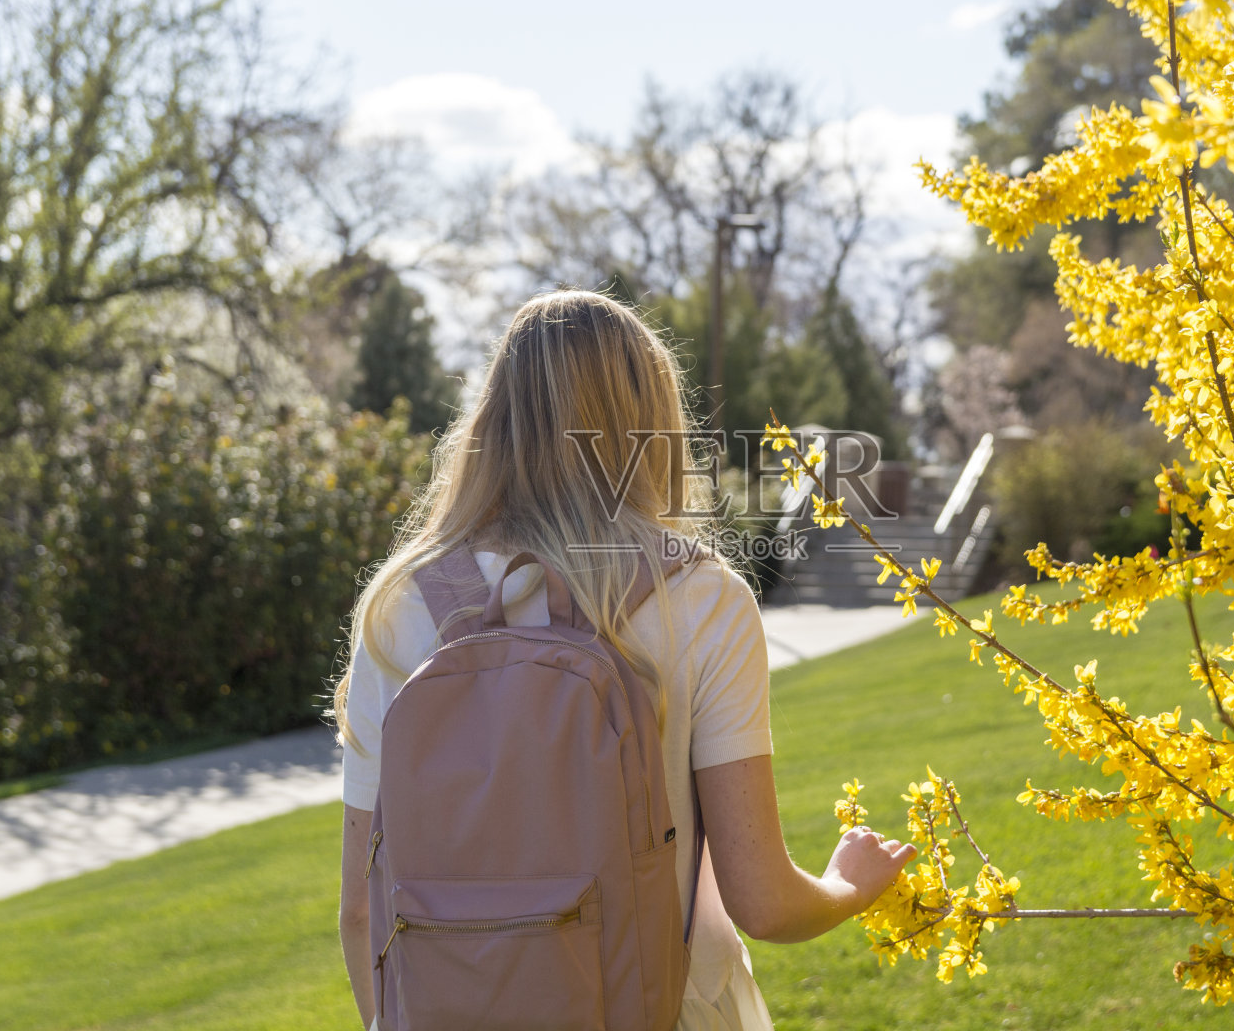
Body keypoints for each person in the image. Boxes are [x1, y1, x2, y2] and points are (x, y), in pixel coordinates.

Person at [331, 289, 915, 1030]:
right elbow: (764, 904)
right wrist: (848, 884)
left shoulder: (400, 606)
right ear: (650, 419)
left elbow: (360, 911)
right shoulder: (701, 598)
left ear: (493, 420)